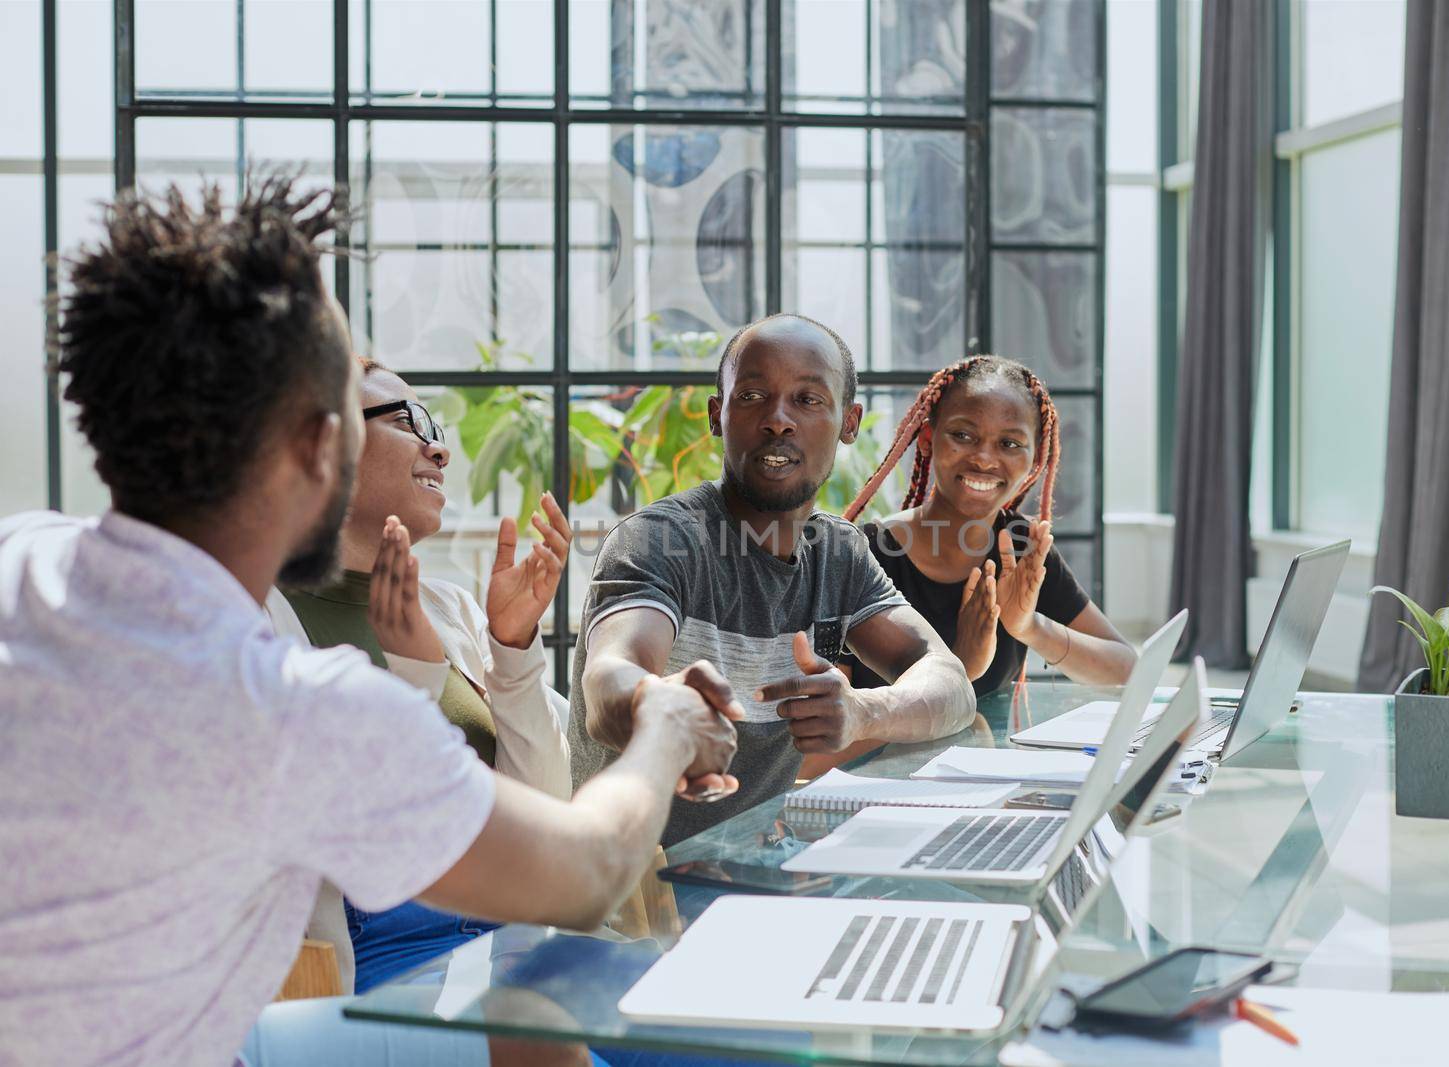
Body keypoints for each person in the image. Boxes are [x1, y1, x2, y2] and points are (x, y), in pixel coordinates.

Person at [0, 177, 739, 1067]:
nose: (434, 445)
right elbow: (585, 874)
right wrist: (662, 730)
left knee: (534, 1031)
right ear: (321, 446)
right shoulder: (291, 707)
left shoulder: (20, 555)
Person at [566, 313, 977, 847]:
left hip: (752, 875)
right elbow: (607, 680)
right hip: (634, 895)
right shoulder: (658, 540)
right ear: (718, 416)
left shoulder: (838, 554)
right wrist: (658, 705)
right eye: (753, 396)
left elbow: (949, 682)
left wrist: (863, 711)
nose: (778, 420)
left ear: (849, 423)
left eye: (807, 400)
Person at [264, 358, 575, 996]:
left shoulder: (451, 608)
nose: (440, 446)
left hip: (509, 937)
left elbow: (548, 814)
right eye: (410, 421)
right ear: (324, 443)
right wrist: (421, 682)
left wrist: (513, 650)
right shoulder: (257, 620)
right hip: (382, 961)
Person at [838, 355, 1136, 703]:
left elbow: (1126, 671)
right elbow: (830, 723)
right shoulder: (864, 555)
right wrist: (961, 666)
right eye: (963, 435)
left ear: (1035, 458)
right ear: (928, 438)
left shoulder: (1022, 550)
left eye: (1009, 444)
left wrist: (1030, 627)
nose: (984, 458)